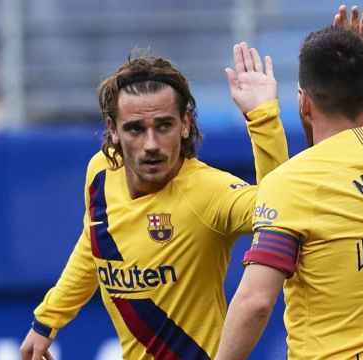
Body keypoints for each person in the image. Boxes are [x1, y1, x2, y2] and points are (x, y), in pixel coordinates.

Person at [20, 46, 288, 360]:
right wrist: (46, 321)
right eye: (135, 129)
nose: (151, 145)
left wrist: (263, 119)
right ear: (113, 131)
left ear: (185, 124)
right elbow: (93, 244)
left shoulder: (209, 193)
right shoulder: (101, 172)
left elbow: (281, 209)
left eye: (163, 126)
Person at [215, 5, 363, 360]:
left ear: (304, 104)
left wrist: (262, 117)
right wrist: (362, 76)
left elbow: (257, 302)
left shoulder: (293, 184)